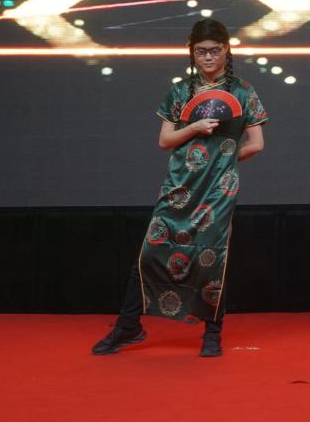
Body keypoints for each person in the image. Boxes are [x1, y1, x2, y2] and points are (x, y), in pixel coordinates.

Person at [92, 18, 268, 357]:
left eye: (214, 50)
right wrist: (195, 128)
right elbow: (165, 140)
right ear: (192, 53)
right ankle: (129, 327)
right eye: (200, 51)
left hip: (218, 191)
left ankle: (212, 334)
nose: (208, 57)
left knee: (211, 257)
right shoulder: (180, 92)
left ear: (226, 50)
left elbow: (257, 143)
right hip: (179, 186)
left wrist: (223, 164)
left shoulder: (243, 92)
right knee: (150, 254)